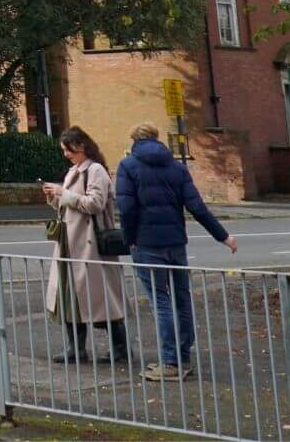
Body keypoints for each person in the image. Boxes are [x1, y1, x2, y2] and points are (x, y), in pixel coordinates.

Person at [115, 122, 238, 381]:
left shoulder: (128, 166)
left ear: (134, 140)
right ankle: (182, 357)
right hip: (175, 243)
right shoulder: (177, 167)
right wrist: (223, 236)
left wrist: (130, 239)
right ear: (157, 139)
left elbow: (126, 208)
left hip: (147, 244)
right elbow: (197, 207)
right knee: (182, 298)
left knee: (161, 301)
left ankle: (170, 363)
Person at [41, 126, 129, 365]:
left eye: (68, 149)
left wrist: (64, 193)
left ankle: (120, 348)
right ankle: (76, 349)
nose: (66, 154)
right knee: (70, 298)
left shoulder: (96, 170)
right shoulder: (75, 171)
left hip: (89, 245)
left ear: (81, 146)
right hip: (70, 243)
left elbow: (95, 204)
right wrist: (54, 196)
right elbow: (70, 204)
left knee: (101, 298)